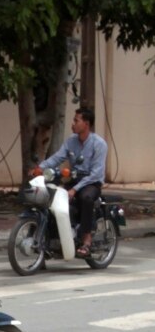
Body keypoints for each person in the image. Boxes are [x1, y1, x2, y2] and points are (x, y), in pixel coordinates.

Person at [33, 107, 108, 257]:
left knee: (85, 198)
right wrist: (40, 168)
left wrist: (75, 189)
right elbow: (57, 157)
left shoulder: (99, 144)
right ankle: (56, 239)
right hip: (74, 179)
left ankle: (86, 240)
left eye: (76, 120)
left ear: (86, 124)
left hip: (91, 183)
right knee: (54, 201)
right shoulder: (71, 141)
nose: (72, 124)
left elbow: (96, 174)